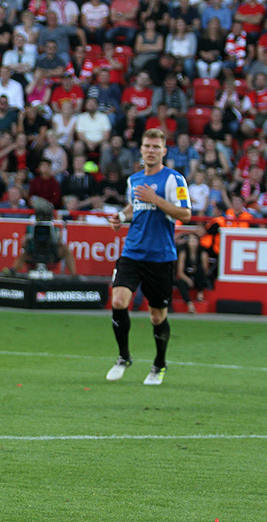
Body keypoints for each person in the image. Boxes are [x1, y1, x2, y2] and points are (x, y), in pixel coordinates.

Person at [105, 128, 191, 386]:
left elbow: (185, 214)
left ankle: (159, 364)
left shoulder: (174, 179)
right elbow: (135, 206)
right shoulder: (134, 180)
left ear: (164, 150)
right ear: (141, 150)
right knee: (118, 300)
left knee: (157, 316)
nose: (151, 151)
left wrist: (156, 199)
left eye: (156, 147)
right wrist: (121, 216)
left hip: (160, 256)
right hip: (132, 252)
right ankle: (123, 357)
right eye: (147, 146)